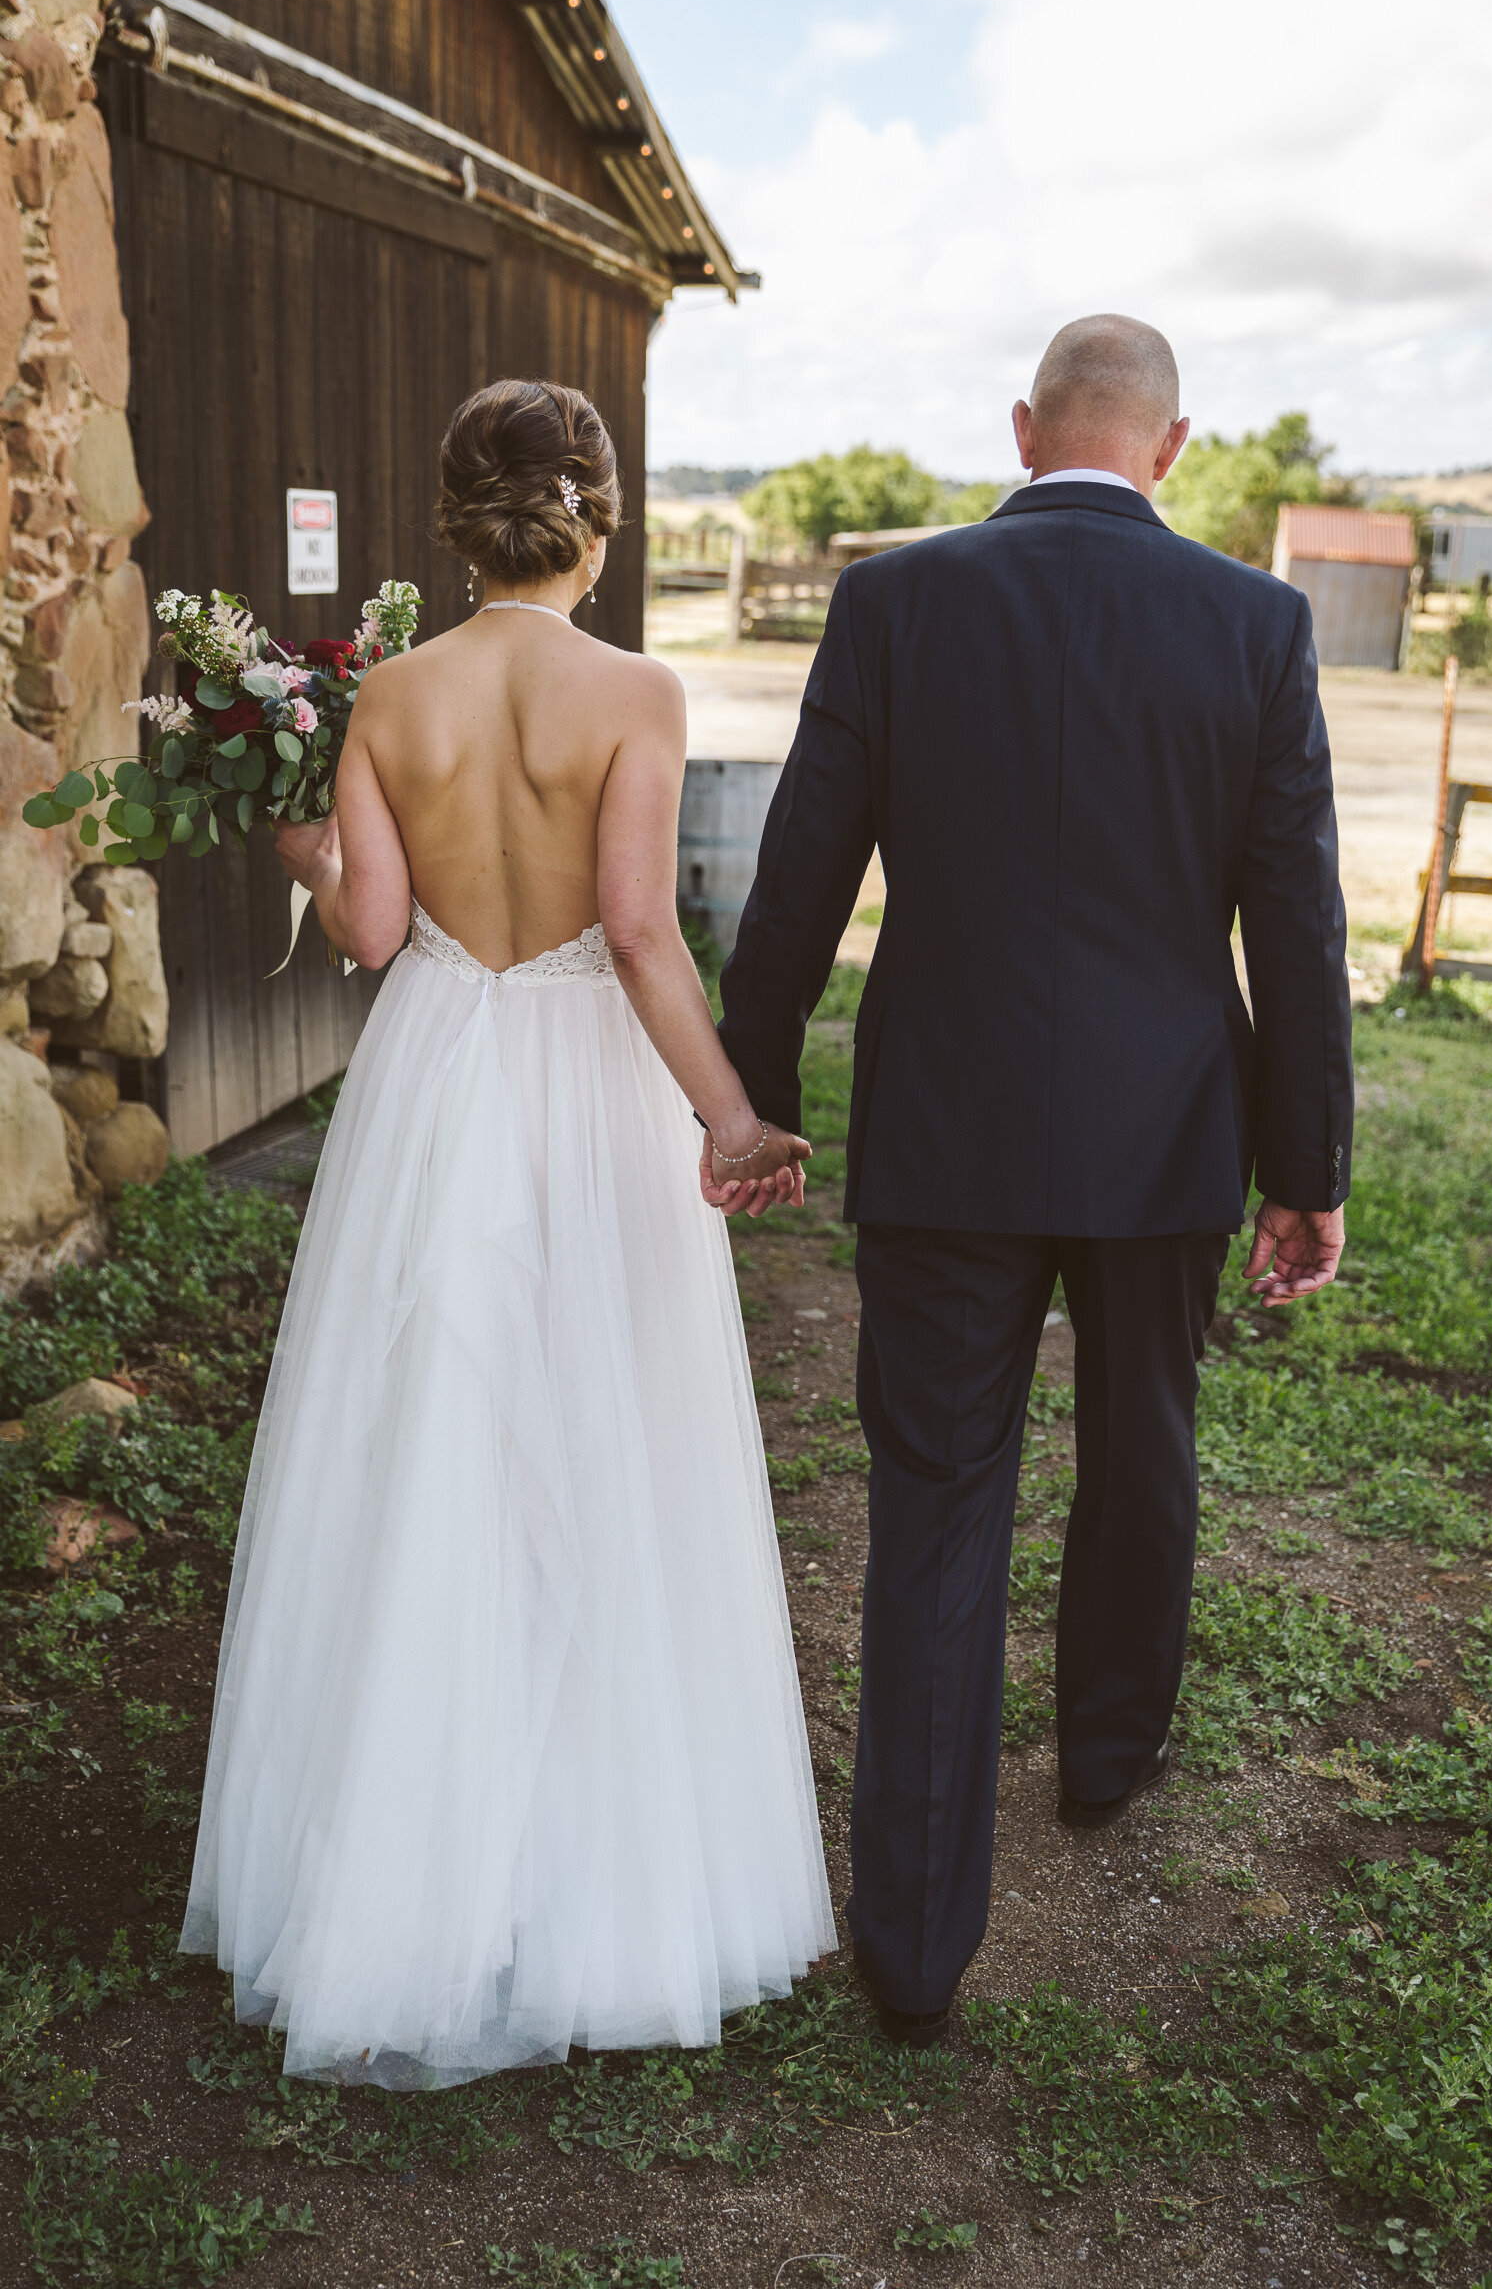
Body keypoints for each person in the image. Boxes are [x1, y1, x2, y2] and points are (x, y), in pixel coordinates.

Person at [180, 378, 834, 2087]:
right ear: (598, 521)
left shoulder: (392, 693)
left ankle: (405, 1872)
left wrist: (294, 832)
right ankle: (593, 1881)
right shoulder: (635, 689)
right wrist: (728, 1114)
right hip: (588, 1086)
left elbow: (381, 928)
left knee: (436, 1438)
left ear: (456, 521)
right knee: (605, 1435)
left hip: (444, 1080)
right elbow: (635, 930)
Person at [715, 314, 1354, 2046]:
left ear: (1022, 430)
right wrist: (1308, 1170)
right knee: (1145, 1444)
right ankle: (1104, 1757)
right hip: (1165, 1135)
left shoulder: (894, 604)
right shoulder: (1254, 622)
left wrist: (748, 1090)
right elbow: (1296, 924)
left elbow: (798, 880)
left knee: (935, 1498)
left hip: (946, 1131)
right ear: (1171, 446)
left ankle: (911, 1950)